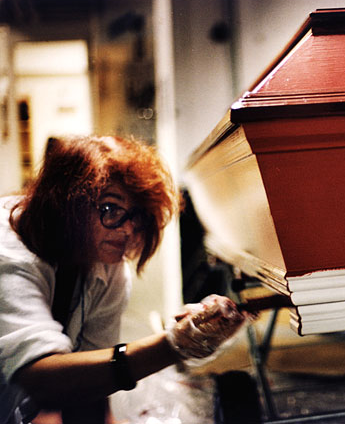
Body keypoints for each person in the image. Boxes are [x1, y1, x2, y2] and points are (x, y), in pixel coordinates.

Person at [0, 135, 250, 424]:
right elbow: (41, 378)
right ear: (65, 203)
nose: (128, 230)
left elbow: (87, 394)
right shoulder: (8, 253)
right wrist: (173, 345)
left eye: (138, 217)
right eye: (110, 209)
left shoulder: (107, 264)